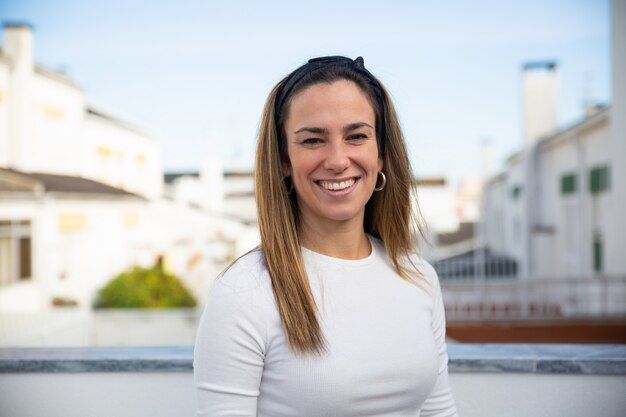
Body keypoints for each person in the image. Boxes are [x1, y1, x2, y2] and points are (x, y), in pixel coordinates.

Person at [194, 56, 458, 417]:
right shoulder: (245, 292)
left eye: (357, 136)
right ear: (284, 161)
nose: (337, 160)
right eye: (313, 140)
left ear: (381, 155)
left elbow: (439, 412)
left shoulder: (417, 275)